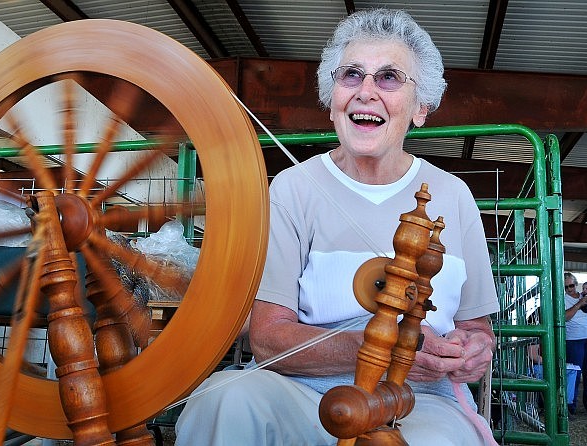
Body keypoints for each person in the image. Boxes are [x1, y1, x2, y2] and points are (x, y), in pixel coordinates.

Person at [175, 8, 499, 445]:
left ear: (421, 108)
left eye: (388, 77)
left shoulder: (453, 196)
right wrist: (373, 347)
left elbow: (477, 330)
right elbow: (268, 338)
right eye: (351, 76)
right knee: (223, 400)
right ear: (332, 101)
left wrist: (473, 352)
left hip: (417, 398)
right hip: (302, 391)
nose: (366, 92)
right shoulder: (293, 189)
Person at [563, 272, 587, 415]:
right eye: (566, 286)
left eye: (571, 285)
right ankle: (570, 405)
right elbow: (564, 317)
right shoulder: (561, 299)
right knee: (573, 372)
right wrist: (580, 304)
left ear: (576, 284)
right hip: (574, 339)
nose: (569, 289)